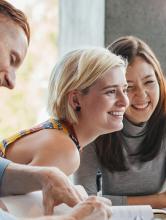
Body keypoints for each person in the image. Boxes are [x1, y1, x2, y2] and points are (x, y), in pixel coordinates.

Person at [0, 0, 111, 219]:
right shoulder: (64, 149)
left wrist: (45, 176)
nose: (12, 82)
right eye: (12, 59)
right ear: (76, 99)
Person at [74, 36, 166, 208]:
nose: (142, 95)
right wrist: (160, 199)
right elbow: (84, 201)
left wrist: (111, 201)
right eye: (128, 87)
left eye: (149, 82)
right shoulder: (95, 125)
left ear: (160, 81)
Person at [0, 47, 129, 177]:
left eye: (125, 90)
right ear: (75, 100)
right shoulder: (63, 150)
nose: (125, 101)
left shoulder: (59, 135)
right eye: (111, 92)